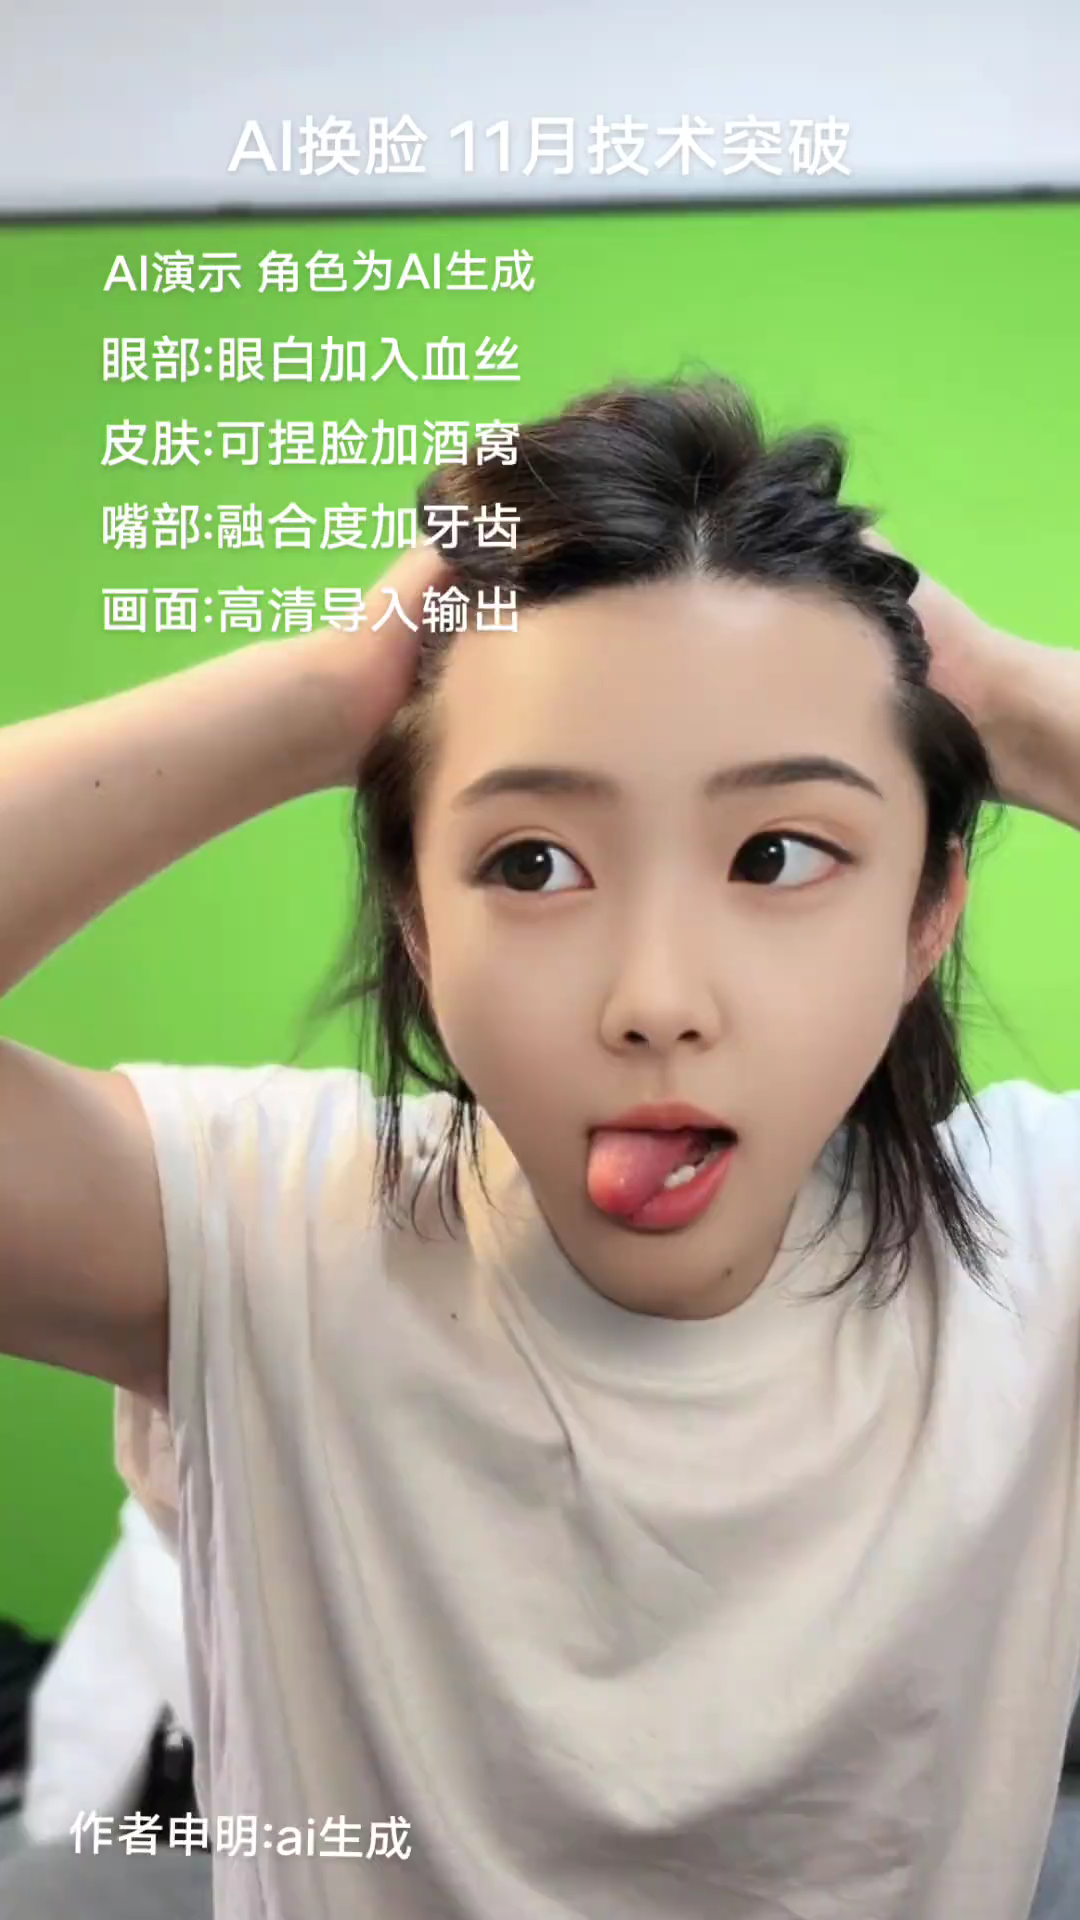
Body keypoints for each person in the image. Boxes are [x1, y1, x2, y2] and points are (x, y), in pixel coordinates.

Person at [2, 373, 1080, 1920]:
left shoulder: (1041, 1246)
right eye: (533, 864)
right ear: (418, 922)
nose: (657, 1003)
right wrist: (334, 688)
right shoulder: (253, 1230)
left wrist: (1013, 704)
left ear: (928, 915)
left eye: (777, 854)